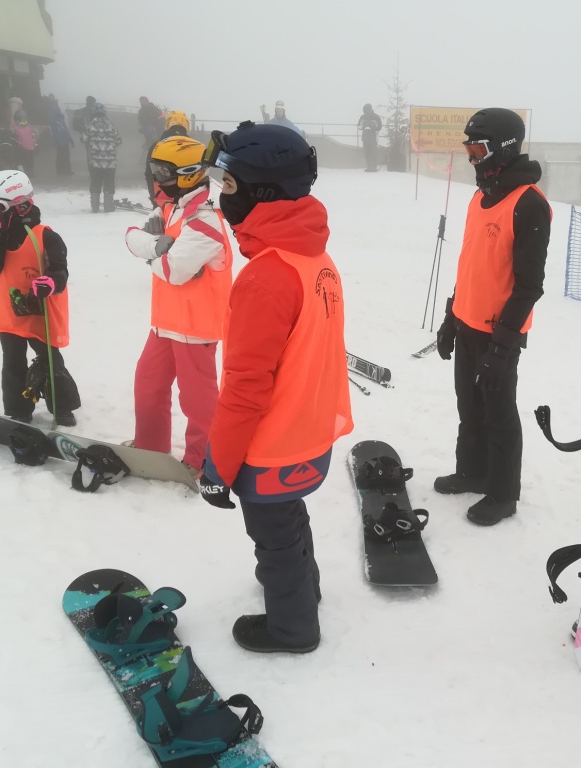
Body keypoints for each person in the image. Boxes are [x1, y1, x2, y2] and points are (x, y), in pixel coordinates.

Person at [199, 121, 353, 653]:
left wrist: (218, 467)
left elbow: (245, 387)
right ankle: (304, 591)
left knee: (273, 538)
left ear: (262, 192)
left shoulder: (266, 277)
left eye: (229, 186)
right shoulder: (314, 259)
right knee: (288, 520)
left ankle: (293, 627)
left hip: (269, 444)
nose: (222, 199)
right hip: (307, 431)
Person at [433, 108, 551, 526]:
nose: (472, 158)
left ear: (503, 148)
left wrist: (501, 347)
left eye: (478, 150)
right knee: (469, 406)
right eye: (468, 149)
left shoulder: (528, 204)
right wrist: (451, 318)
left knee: (498, 414)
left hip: (499, 333)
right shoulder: (479, 198)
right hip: (466, 324)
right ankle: (473, 471)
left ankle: (502, 493)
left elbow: (529, 286)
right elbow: (471, 266)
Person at [124, 135, 232, 479]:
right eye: (154, 170)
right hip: (165, 321)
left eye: (162, 172)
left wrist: (153, 251)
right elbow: (130, 236)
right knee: (148, 387)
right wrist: (158, 246)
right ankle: (150, 447)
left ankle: (203, 461)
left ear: (188, 174)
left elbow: (172, 271)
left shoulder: (206, 221)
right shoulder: (171, 208)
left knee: (198, 402)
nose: (156, 179)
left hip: (196, 327)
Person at [0, 170, 81, 426]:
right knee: (12, 361)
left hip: (39, 311)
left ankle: (62, 406)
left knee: (50, 359)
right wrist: (0, 231)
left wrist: (51, 282)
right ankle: (18, 409)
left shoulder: (46, 236)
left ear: (18, 205)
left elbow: (60, 270)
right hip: (9, 312)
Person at [80, 103, 122, 213]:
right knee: (109, 182)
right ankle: (108, 206)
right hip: (110, 162)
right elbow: (118, 140)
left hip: (95, 161)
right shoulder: (111, 125)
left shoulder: (90, 126)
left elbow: (83, 139)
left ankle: (95, 207)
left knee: (95, 182)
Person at [144, 110, 190, 207]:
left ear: (168, 124)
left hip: (161, 196)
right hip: (187, 197)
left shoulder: (156, 145)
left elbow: (149, 174)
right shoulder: (192, 146)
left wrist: (153, 198)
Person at [46, 94, 74, 176]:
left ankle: (62, 170)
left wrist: (69, 139)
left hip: (62, 140)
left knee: (61, 155)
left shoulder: (56, 120)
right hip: (62, 141)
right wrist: (69, 139)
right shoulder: (58, 120)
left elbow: (63, 131)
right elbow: (63, 131)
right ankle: (65, 170)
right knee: (64, 155)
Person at [357, 104, 382, 172]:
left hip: (374, 138)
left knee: (373, 153)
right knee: (367, 153)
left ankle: (373, 167)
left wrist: (371, 128)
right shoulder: (362, 117)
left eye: (367, 111)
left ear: (370, 110)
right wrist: (362, 127)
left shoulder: (376, 117)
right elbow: (359, 126)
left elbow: (379, 127)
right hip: (365, 138)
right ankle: (369, 167)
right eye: (365, 112)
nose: (366, 113)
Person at [11, 111, 37, 175]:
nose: (24, 120)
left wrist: (36, 144)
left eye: (25, 118)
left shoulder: (28, 126)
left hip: (30, 146)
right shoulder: (14, 127)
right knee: (22, 160)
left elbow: (33, 135)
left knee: (30, 160)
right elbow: (13, 137)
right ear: (17, 118)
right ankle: (22, 172)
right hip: (21, 147)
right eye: (22, 118)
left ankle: (30, 171)